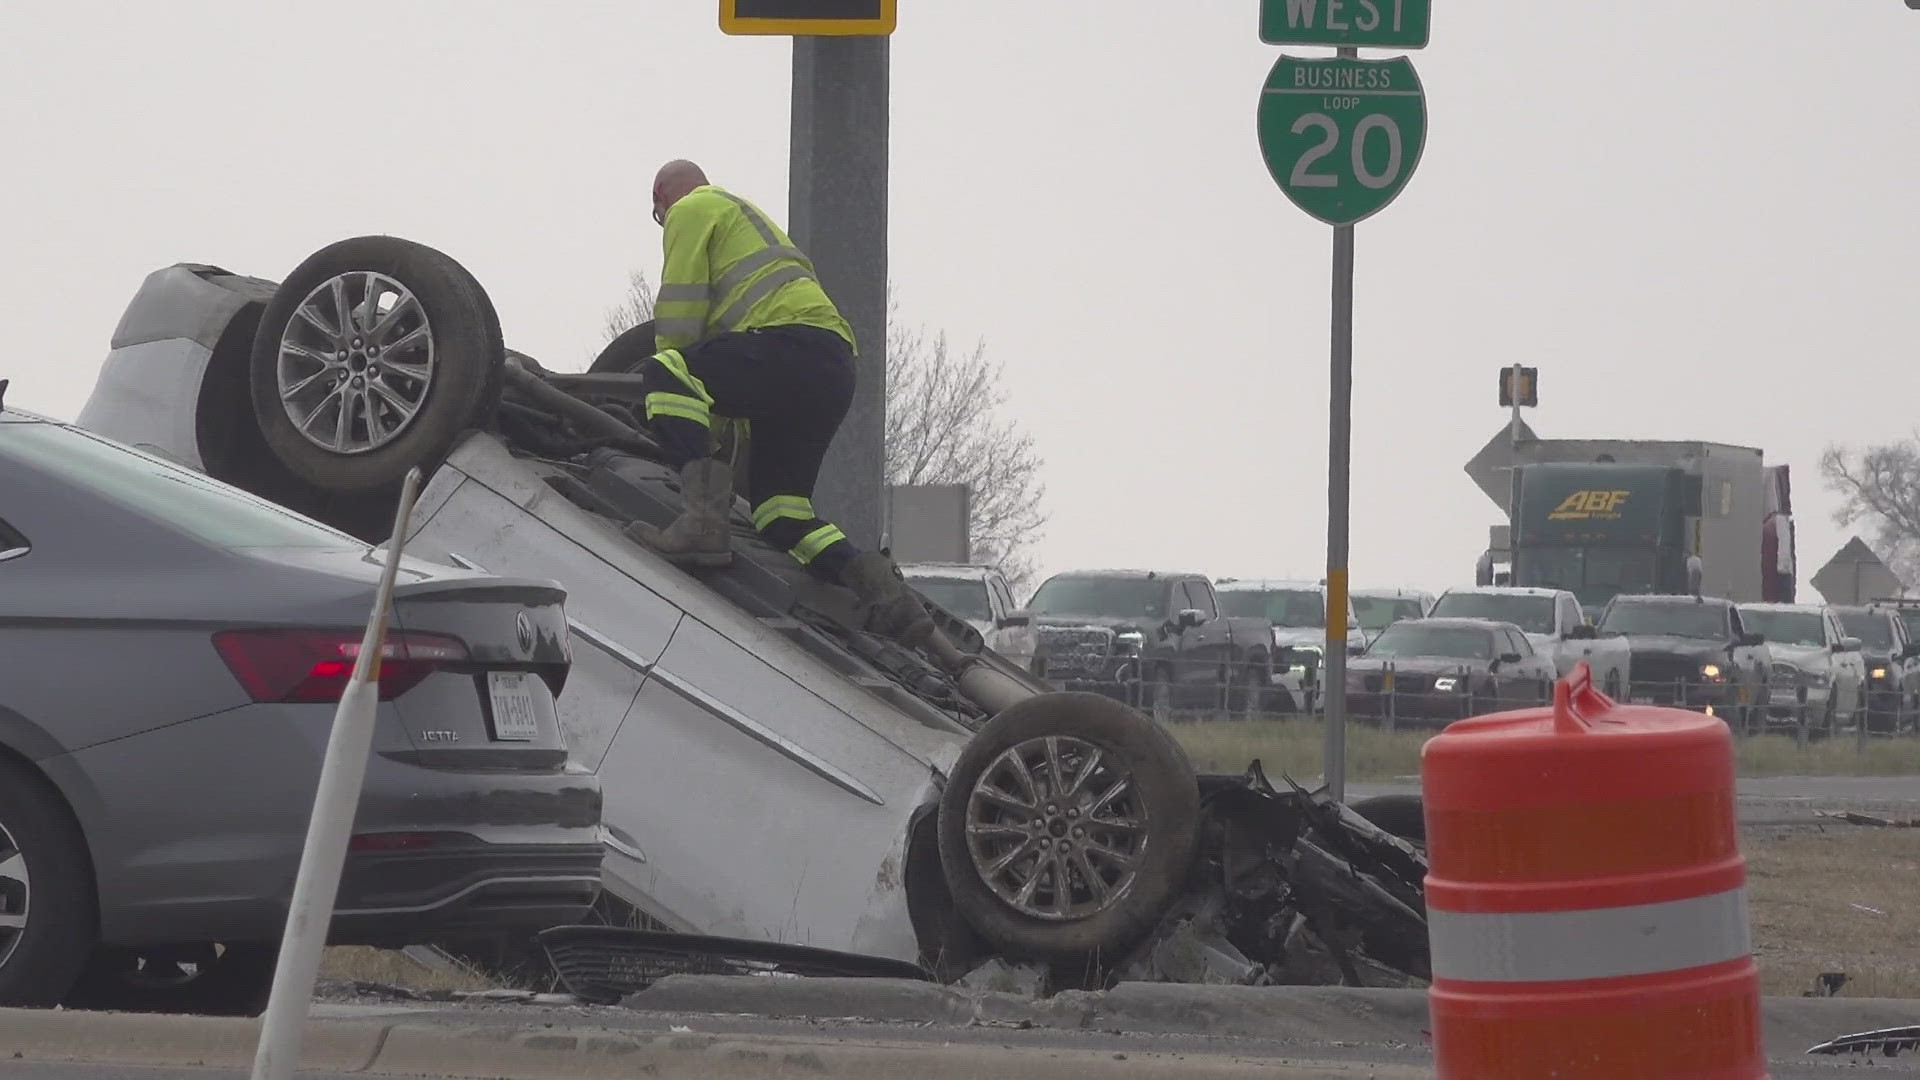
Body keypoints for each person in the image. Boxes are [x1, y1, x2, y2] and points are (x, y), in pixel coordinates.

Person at [624, 159, 933, 644]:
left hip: (789, 347)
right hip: (830, 367)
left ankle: (700, 522)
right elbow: (739, 371)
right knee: (779, 511)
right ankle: (877, 587)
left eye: (657, 214)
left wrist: (674, 401)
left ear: (662, 196)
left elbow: (681, 314)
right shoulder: (746, 219)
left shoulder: (692, 208)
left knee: (666, 370)